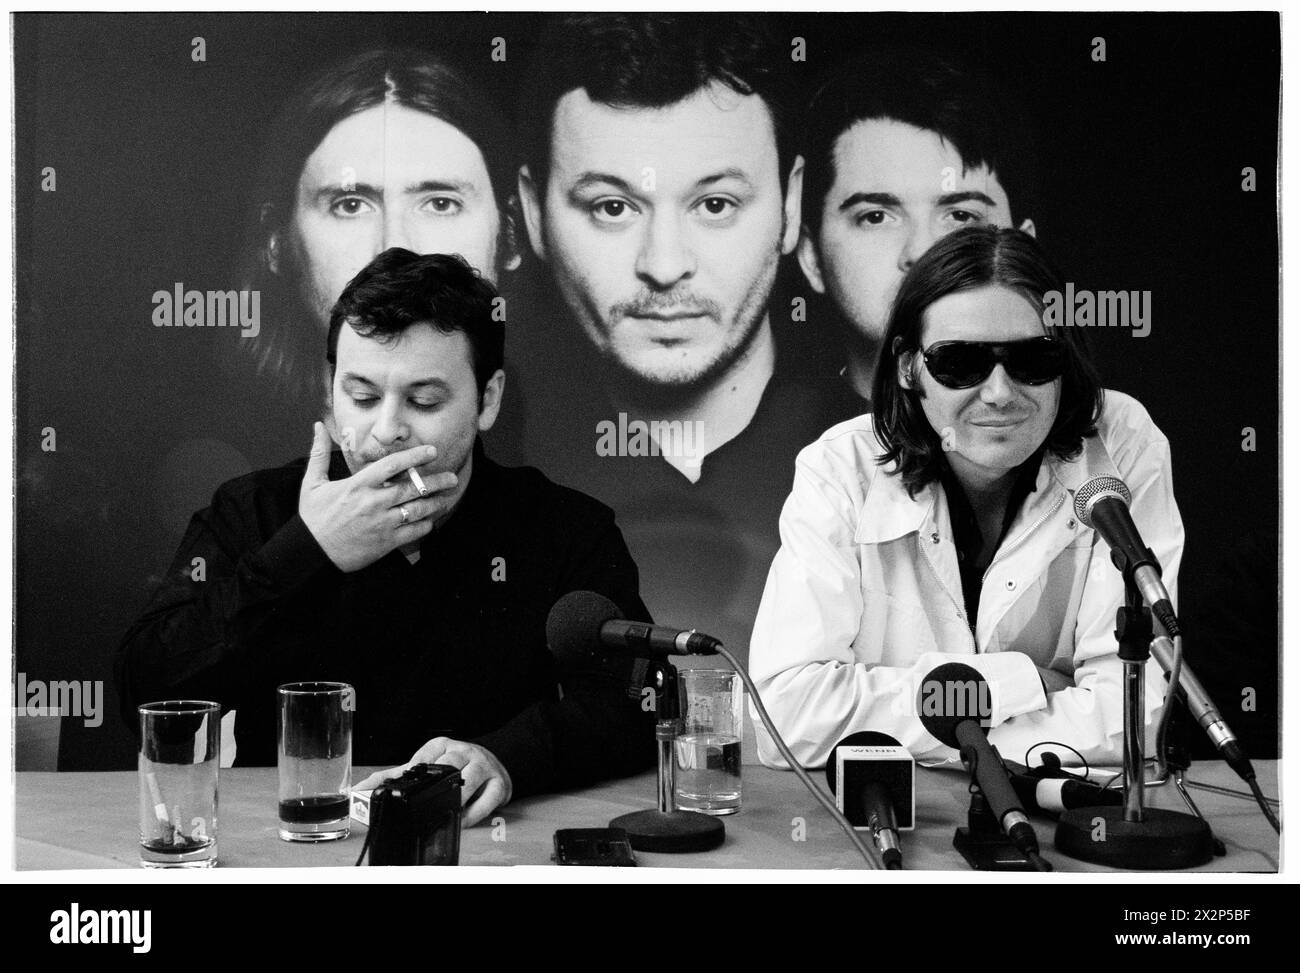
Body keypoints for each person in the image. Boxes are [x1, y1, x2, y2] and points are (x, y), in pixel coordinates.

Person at [117, 249, 654, 826]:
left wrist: (508, 757)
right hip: (301, 837)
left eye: (424, 401)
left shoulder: (564, 527)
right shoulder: (254, 511)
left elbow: (637, 703)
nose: (386, 430)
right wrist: (306, 550)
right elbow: (146, 691)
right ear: (330, 390)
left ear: (488, 399)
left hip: (485, 846)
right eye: (363, 397)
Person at [750, 226, 1182, 770]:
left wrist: (919, 725)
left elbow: (1130, 715)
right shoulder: (842, 468)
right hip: (906, 828)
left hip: (1059, 827)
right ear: (910, 368)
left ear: (1065, 362)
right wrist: (1025, 684)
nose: (1000, 393)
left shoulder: (1121, 442)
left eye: (1031, 360)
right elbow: (789, 717)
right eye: (960, 363)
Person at [511, 13, 859, 661]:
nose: (665, 264)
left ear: (791, 202)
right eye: (612, 207)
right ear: (534, 215)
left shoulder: (877, 457)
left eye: (716, 204)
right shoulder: (499, 461)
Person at [234, 48, 520, 413]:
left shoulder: (546, 441)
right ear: (275, 244)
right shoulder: (218, 451)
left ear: (509, 236)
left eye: (440, 204)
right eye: (350, 206)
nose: (395, 250)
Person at [796, 48, 1038, 404]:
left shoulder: (1115, 444)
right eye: (875, 217)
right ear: (811, 258)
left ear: (1025, 253)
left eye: (961, 216)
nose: (923, 253)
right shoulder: (788, 453)